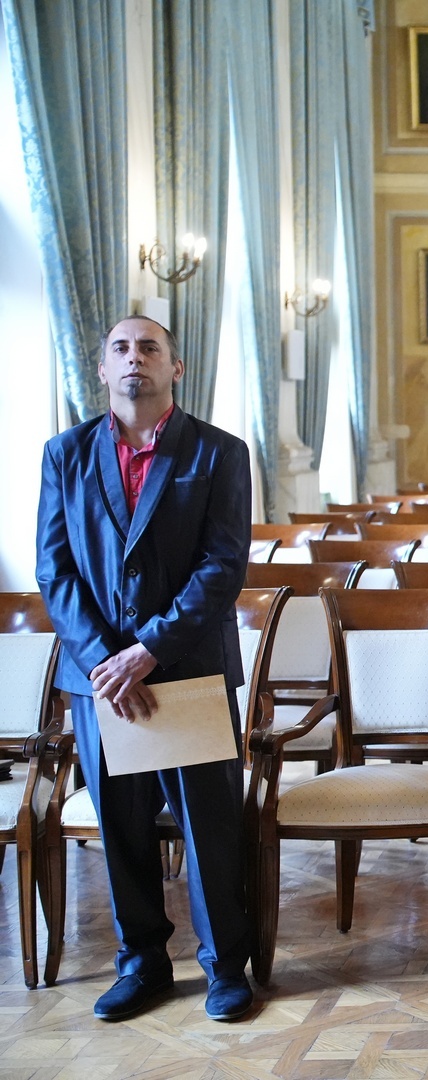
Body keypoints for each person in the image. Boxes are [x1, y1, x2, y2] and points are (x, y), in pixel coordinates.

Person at [35, 316, 256, 1022]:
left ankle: (226, 966)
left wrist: (150, 648)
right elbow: (55, 569)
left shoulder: (219, 452)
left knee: (209, 829)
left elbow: (222, 565)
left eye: (150, 348)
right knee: (122, 829)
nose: (136, 358)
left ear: (175, 367)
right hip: (100, 679)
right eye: (122, 349)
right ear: (103, 369)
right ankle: (142, 963)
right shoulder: (65, 453)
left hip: (186, 668)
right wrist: (105, 658)